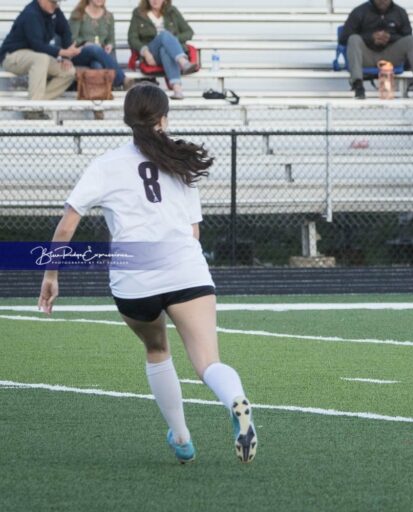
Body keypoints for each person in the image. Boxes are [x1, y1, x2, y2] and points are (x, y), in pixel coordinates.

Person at [37, 82, 258, 464]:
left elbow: (65, 227)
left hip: (135, 278)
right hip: (186, 268)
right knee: (207, 362)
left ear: (127, 119)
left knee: (157, 349)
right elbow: (193, 231)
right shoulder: (179, 162)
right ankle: (235, 399)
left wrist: (51, 275)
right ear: (164, 118)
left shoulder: (106, 165)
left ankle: (182, 437)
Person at [340, 0, 413, 101]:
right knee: (354, 39)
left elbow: (407, 35)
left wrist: (390, 37)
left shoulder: (400, 12)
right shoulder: (359, 11)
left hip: (391, 56)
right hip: (366, 56)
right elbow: (344, 38)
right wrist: (371, 38)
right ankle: (357, 85)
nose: (382, 1)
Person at [0, 0, 80, 102]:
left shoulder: (55, 11)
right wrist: (63, 52)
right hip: (12, 56)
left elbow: (65, 31)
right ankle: (35, 109)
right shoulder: (31, 13)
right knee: (41, 59)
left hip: (37, 56)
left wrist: (66, 58)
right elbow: (37, 45)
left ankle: (36, 105)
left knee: (69, 72)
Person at [128, 0, 197, 100]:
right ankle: (183, 62)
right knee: (165, 35)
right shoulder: (138, 13)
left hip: (168, 53)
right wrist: (145, 52)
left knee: (165, 49)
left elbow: (189, 32)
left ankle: (177, 90)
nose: (155, 0)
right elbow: (132, 38)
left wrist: (172, 41)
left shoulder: (172, 11)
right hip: (151, 52)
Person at [69, 0, 133, 90]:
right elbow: (71, 38)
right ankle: (122, 79)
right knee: (94, 48)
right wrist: (85, 43)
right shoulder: (79, 13)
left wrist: (109, 45)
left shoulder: (109, 16)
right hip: (80, 53)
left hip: (100, 54)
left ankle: (101, 96)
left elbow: (111, 40)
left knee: (97, 65)